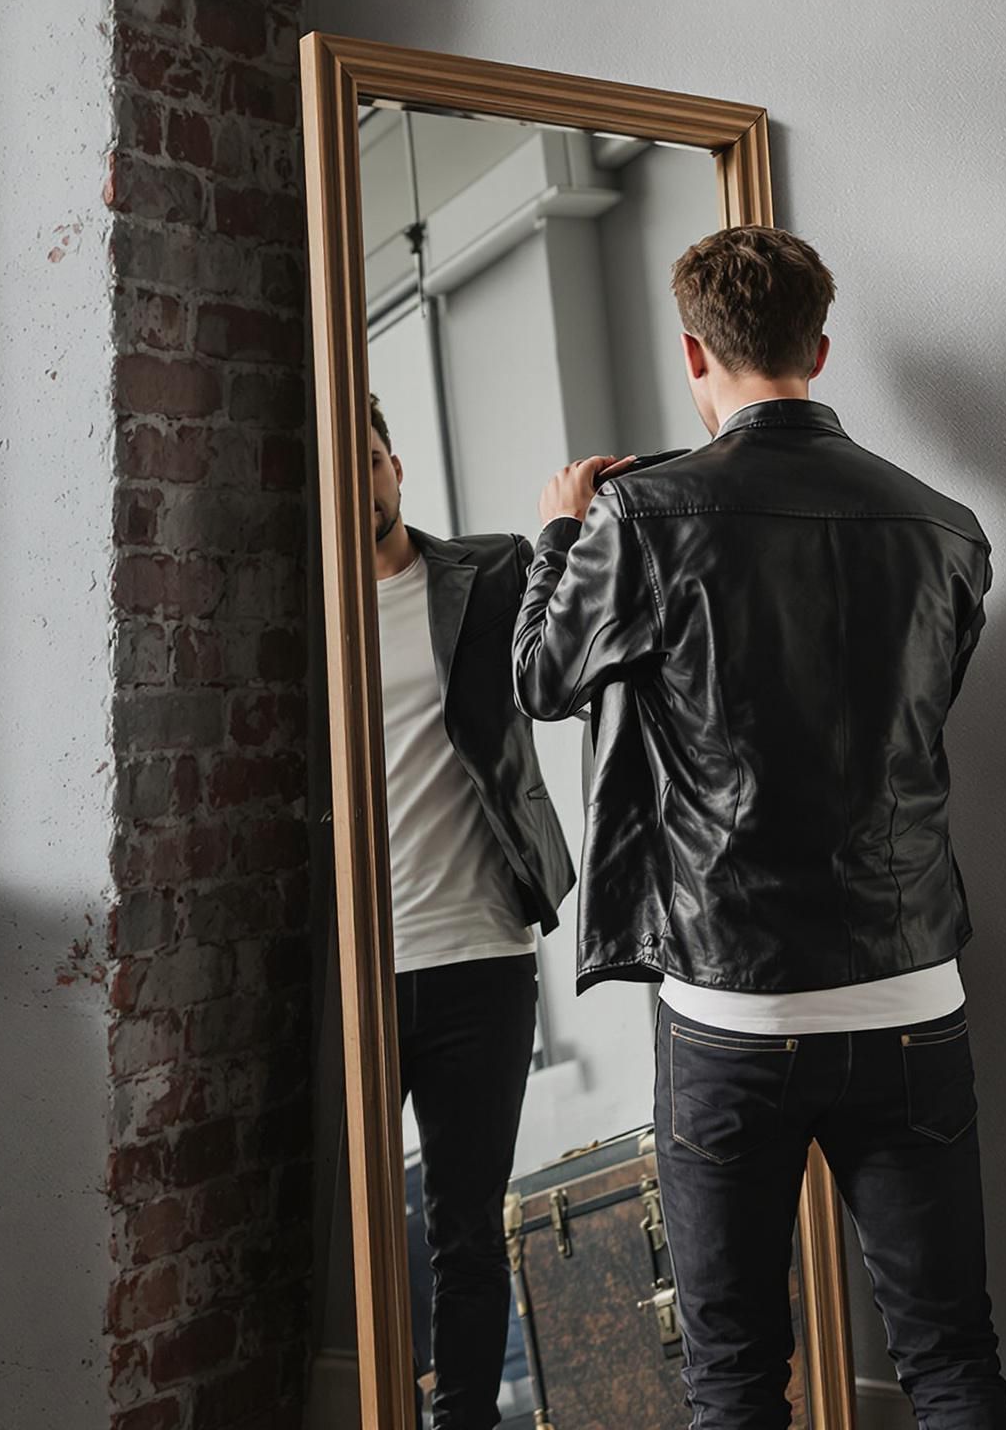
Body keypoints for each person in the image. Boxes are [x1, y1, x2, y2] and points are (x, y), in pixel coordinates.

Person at [513, 227, 1006, 1429]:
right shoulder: (946, 528)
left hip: (733, 1011)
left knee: (734, 1374)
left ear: (694, 349)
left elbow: (540, 677)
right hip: (908, 996)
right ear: (820, 350)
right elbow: (925, 714)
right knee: (950, 1355)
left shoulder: (643, 514)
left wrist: (560, 533)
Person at [366, 398, 577, 1430]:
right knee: (358, 1237)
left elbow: (562, 652)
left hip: (480, 959)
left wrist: (567, 526)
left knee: (464, 1226)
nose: (360, 483)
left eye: (370, 461)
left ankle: (466, 1423)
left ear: (396, 468)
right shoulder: (302, 626)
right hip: (360, 975)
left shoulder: (486, 579)